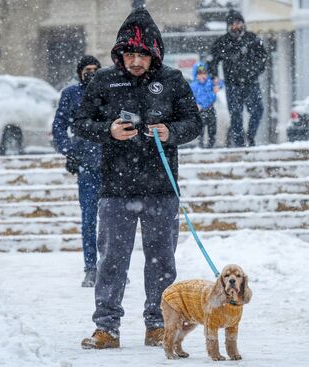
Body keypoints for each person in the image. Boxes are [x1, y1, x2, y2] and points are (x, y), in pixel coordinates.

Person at [73, 8, 201, 349]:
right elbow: (80, 123)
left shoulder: (172, 80)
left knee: (161, 261)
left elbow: (194, 122)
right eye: (128, 54)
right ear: (119, 54)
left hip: (161, 187)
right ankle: (107, 328)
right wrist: (109, 130)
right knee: (112, 259)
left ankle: (158, 325)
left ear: (154, 52)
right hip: (116, 188)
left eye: (141, 55)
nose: (134, 61)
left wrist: (170, 131)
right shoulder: (103, 80)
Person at [52, 55, 102, 287]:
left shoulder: (109, 90)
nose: (91, 73)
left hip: (113, 165)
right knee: (89, 218)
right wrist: (69, 151)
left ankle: (111, 264)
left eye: (95, 69)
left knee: (114, 221)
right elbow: (59, 126)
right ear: (80, 72)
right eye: (87, 70)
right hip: (86, 164)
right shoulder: (71, 94)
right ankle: (90, 267)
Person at [208, 9, 267, 147]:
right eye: (233, 24)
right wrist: (214, 75)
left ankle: (251, 136)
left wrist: (255, 71)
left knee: (258, 110)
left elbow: (263, 58)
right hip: (232, 84)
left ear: (243, 24)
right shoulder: (222, 42)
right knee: (235, 114)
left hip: (251, 83)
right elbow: (212, 60)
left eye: (239, 23)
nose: (236, 26)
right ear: (228, 26)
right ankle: (239, 142)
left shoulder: (252, 39)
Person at [190, 61, 223, 148]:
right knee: (201, 129)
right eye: (200, 74)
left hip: (210, 109)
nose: (202, 76)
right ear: (195, 75)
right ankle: (200, 145)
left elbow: (221, 83)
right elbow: (190, 98)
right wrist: (196, 105)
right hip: (200, 111)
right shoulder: (193, 86)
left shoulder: (210, 83)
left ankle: (211, 144)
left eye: (204, 73)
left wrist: (217, 84)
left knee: (212, 128)